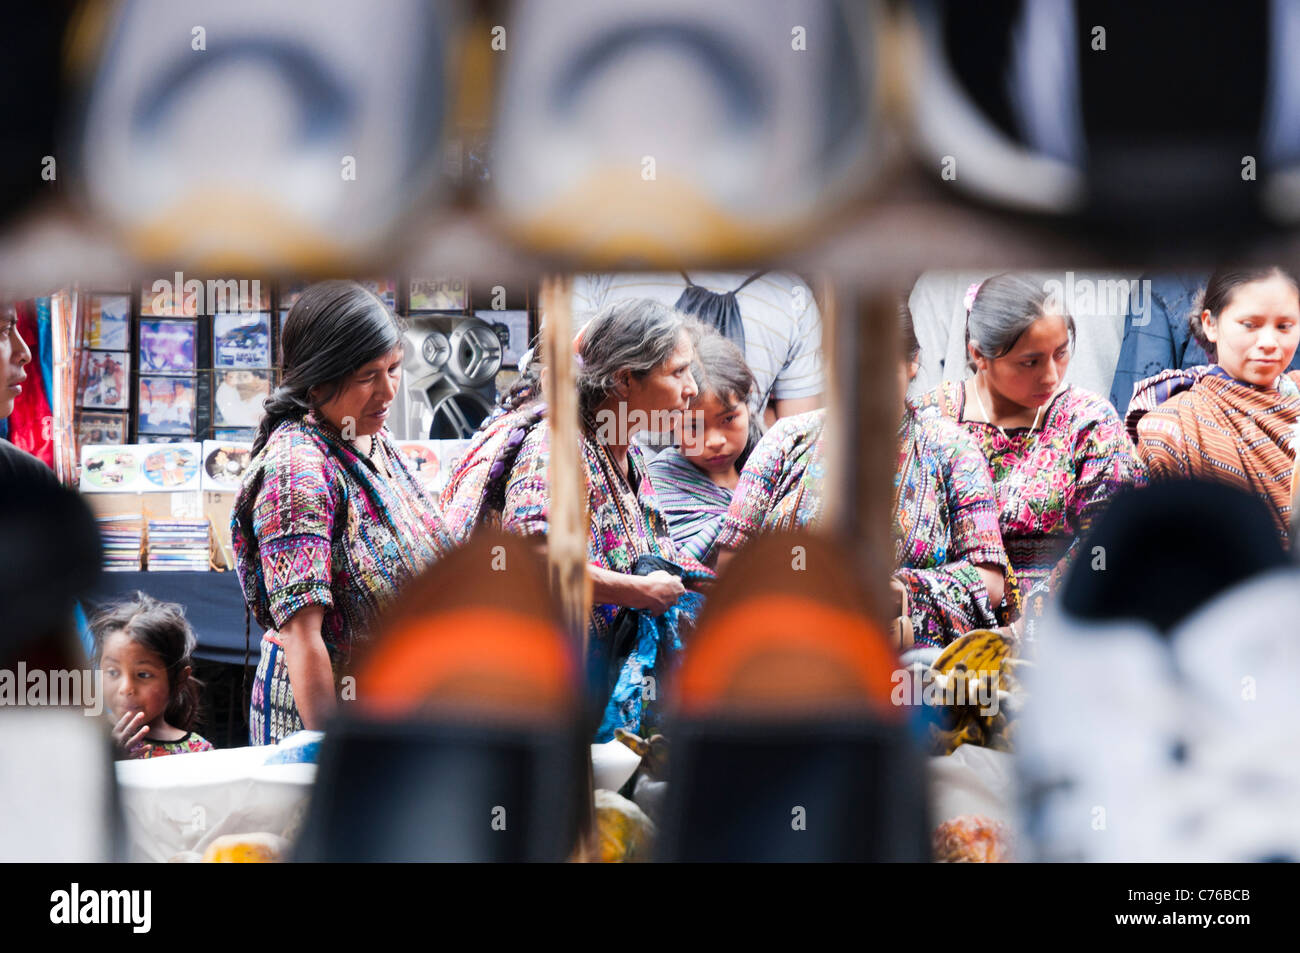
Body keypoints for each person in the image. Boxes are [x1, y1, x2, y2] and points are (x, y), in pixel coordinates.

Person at [713, 303, 1018, 648]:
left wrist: (899, 592)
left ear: (912, 362)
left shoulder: (953, 450)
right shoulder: (785, 440)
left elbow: (990, 581)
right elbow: (731, 562)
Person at [232, 281, 455, 744]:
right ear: (318, 378)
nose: (389, 390)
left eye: (394, 368)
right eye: (368, 376)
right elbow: (302, 636)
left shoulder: (371, 438)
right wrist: (331, 758)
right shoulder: (299, 471)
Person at [912, 273, 1143, 625]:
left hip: (1063, 623)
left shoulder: (1088, 423)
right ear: (980, 355)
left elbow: (1113, 539)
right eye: (1030, 362)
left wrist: (1029, 623)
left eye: (1061, 353)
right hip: (944, 623)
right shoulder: (932, 421)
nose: (1051, 375)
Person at [495, 298, 713, 644]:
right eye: (677, 372)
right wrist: (639, 591)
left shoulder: (627, 447)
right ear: (625, 380)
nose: (692, 389)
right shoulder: (556, 448)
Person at [1133, 267, 1300, 546]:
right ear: (1210, 324)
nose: (1270, 343)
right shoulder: (1171, 428)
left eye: (1284, 326)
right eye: (1250, 324)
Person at [571, 272, 823, 427]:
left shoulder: (601, 267)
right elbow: (796, 441)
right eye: (678, 371)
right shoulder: (789, 296)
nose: (691, 390)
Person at [647, 328, 761, 563]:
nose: (714, 441)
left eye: (728, 419)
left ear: (748, 404)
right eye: (694, 427)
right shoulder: (654, 487)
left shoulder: (774, 476)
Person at [92, 593, 214, 759]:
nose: (126, 688)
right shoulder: (84, 740)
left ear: (178, 680)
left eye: (143, 674)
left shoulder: (197, 753)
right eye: (113, 672)